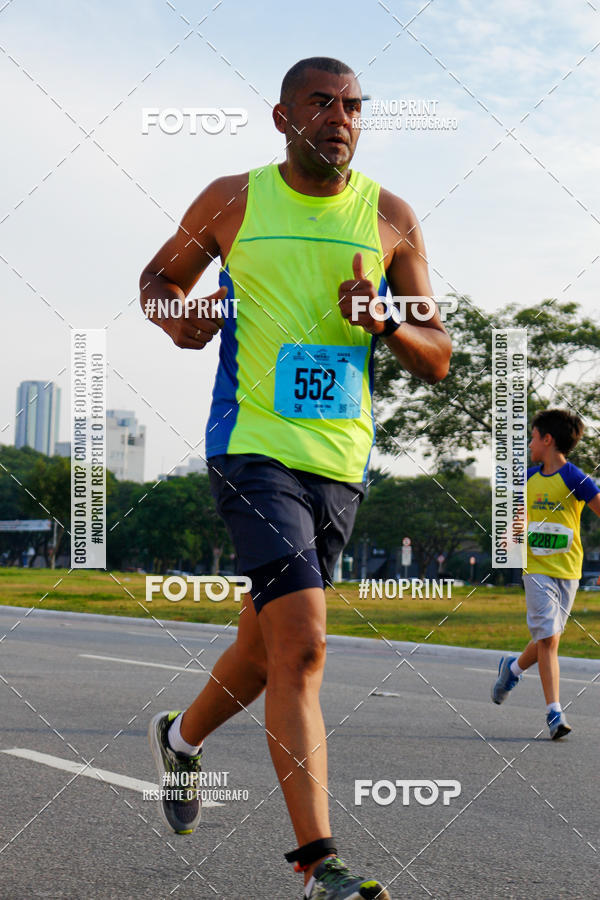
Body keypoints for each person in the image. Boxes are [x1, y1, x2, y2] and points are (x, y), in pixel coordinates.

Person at [140, 56, 451, 899]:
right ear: (283, 118)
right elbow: (159, 281)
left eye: (353, 106)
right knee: (305, 643)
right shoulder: (233, 198)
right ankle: (321, 866)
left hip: (339, 463)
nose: (341, 118)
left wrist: (384, 320)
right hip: (251, 447)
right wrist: (182, 319)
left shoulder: (389, 216)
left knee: (268, 647)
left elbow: (439, 355)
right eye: (322, 103)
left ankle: (182, 738)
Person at [492, 409, 600, 739]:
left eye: (533, 437)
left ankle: (511, 669)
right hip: (535, 568)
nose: (529, 444)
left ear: (547, 440)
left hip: (568, 570)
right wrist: (511, 533)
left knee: (546, 638)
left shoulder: (575, 479)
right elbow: (520, 516)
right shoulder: (527, 478)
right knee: (549, 639)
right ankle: (554, 713)